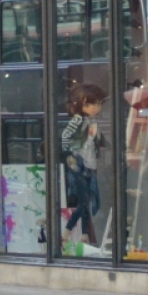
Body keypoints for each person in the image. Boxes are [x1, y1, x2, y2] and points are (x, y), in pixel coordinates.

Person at [61, 83, 107, 246]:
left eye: (97, 104)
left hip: (89, 164)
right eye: (89, 104)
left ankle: (85, 235)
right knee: (83, 201)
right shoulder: (78, 120)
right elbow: (65, 136)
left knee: (87, 200)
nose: (94, 108)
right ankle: (67, 232)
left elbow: (97, 142)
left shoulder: (90, 121)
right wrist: (70, 156)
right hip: (79, 164)